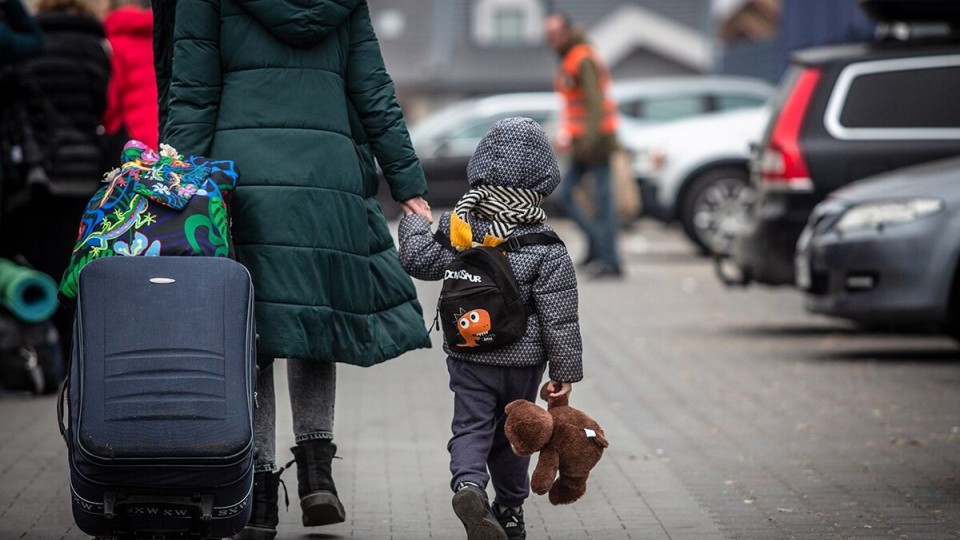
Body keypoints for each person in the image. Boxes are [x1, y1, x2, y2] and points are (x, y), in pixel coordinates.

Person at [156, 1, 433, 538]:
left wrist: (177, 188)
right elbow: (372, 87)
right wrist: (408, 183)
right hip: (324, 180)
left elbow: (192, 91)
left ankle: (257, 490)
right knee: (312, 324)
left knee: (250, 334)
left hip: (242, 179)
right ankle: (316, 474)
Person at [398, 117, 583, 540]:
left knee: (470, 426)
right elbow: (560, 314)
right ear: (543, 175)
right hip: (523, 361)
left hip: (469, 351)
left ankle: (468, 486)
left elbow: (418, 261)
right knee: (517, 433)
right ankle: (511, 510)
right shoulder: (545, 243)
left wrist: (415, 219)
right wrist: (564, 375)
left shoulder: (459, 228)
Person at [0, 0, 110, 347]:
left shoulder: (25, 43)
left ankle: (43, 343)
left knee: (34, 256)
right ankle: (74, 342)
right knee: (72, 255)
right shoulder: (93, 45)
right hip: (80, 167)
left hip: (34, 169)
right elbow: (101, 104)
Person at [545, 12, 623, 278]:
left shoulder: (582, 58)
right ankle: (598, 251)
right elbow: (574, 106)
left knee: (599, 202)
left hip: (596, 142)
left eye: (554, 35)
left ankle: (609, 259)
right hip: (584, 142)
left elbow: (596, 103)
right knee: (573, 196)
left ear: (567, 32)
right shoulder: (571, 58)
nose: (551, 41)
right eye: (548, 36)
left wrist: (588, 140)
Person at [102, 0, 157, 150]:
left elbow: (112, 99)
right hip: (164, 128)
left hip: (133, 137)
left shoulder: (113, 44)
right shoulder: (156, 36)